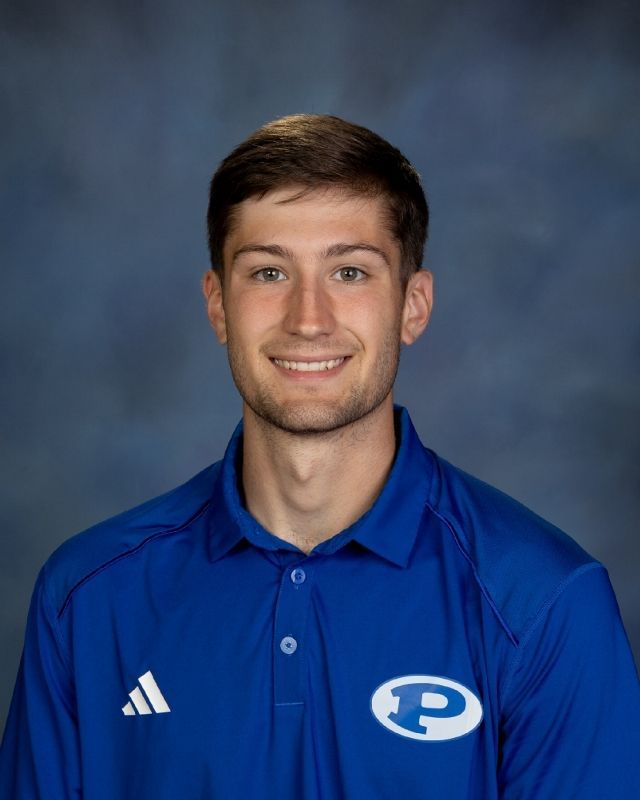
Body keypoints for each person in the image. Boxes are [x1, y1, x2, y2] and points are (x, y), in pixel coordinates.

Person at [1, 114, 638, 799]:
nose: (309, 318)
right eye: (269, 271)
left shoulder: (543, 603)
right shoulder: (87, 598)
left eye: (350, 271)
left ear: (413, 306)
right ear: (218, 306)